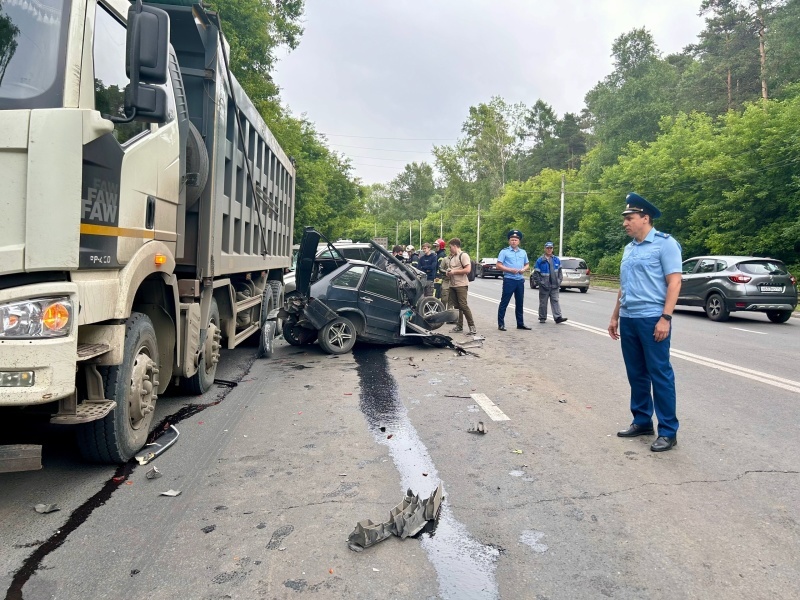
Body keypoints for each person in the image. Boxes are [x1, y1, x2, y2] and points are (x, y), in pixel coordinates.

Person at [608, 192, 682, 452]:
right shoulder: (629, 248)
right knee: (636, 374)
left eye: (629, 218)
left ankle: (668, 431)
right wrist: (615, 315)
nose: (625, 223)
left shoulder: (665, 244)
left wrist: (666, 318)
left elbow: (675, 282)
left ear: (645, 218)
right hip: (629, 318)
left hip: (653, 319)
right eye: (624, 218)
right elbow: (624, 286)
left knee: (659, 374)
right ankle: (641, 421)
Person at [496, 229, 530, 331]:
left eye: (515, 240)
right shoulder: (504, 252)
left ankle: (520, 323)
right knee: (504, 302)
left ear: (519, 241)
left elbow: (527, 264)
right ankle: (501, 324)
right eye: (512, 240)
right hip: (509, 279)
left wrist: (524, 269)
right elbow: (498, 265)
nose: (514, 241)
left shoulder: (523, 252)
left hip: (519, 280)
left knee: (520, 303)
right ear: (509, 241)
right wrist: (509, 270)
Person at [445, 238, 476, 335]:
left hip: (461, 284)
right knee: (457, 307)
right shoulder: (452, 257)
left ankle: (472, 326)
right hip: (453, 284)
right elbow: (452, 269)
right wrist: (448, 272)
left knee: (463, 305)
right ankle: (459, 325)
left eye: (450, 247)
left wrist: (454, 272)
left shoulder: (463, 255)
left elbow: (467, 270)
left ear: (455, 246)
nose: (449, 249)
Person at [533, 242, 567, 324]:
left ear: (552, 249)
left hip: (554, 285)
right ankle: (542, 317)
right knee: (543, 302)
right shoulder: (540, 260)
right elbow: (536, 274)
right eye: (547, 248)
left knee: (555, 301)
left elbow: (559, 273)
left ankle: (558, 317)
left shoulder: (556, 260)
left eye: (550, 248)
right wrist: (541, 283)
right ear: (545, 249)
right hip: (544, 286)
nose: (549, 249)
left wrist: (559, 281)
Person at [434, 239, 452, 308]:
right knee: (437, 294)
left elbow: (440, 267)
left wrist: (437, 276)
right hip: (439, 278)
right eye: (435, 246)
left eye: (437, 246)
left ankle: (439, 308)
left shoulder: (441, 255)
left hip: (439, 278)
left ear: (441, 246)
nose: (436, 248)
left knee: (437, 293)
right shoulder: (439, 254)